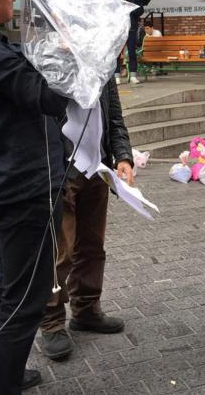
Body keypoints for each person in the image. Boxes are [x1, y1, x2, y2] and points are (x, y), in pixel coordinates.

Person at [0, 0, 67, 394]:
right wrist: (73, 50)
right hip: (22, 188)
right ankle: (0, 384)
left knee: (8, 282)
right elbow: (50, 97)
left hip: (4, 183)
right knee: (26, 299)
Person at [39, 79, 135, 360]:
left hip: (97, 166)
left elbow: (114, 115)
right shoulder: (49, 58)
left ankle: (86, 309)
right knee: (60, 251)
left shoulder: (103, 59)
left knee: (92, 245)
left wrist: (123, 155)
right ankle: (52, 322)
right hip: (60, 168)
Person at [114, 0, 144, 85]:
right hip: (119, 28)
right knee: (117, 52)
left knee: (132, 52)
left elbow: (141, 10)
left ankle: (133, 75)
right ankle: (116, 76)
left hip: (131, 28)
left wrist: (130, 8)